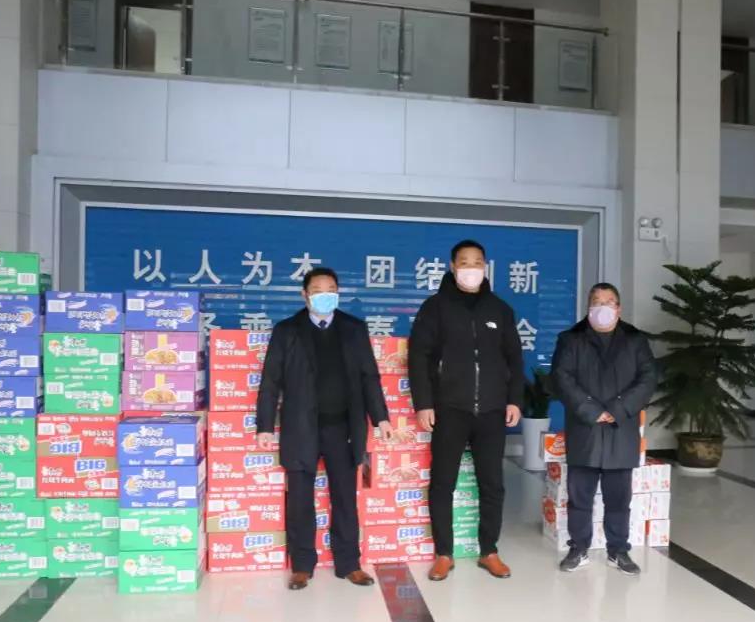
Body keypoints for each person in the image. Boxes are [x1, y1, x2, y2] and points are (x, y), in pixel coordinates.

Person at [257, 267, 394, 591]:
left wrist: (381, 418)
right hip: (300, 427)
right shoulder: (287, 330)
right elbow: (271, 380)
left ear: (338, 292)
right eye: (318, 290)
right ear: (304, 295)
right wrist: (265, 426)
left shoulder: (353, 328)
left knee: (344, 497)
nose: (325, 295)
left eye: (331, 289)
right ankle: (302, 565)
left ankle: (349, 563)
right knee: (300, 499)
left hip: (343, 427)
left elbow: (369, 377)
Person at [408, 240, 524, 582]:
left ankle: (489, 551)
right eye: (464, 262)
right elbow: (419, 357)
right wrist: (424, 403)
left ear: (485, 267)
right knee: (443, 482)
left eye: (477, 262)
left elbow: (514, 359)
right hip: (450, 409)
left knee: (493, 484)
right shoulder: (435, 307)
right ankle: (444, 553)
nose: (471, 268)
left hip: (491, 410)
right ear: (452, 266)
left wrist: (514, 399)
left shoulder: (500, 309)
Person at [551, 282, 657, 576]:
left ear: (619, 308)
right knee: (580, 497)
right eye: (597, 301)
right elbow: (561, 377)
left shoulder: (635, 340)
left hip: (620, 429)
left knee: (619, 499)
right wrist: (592, 410)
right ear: (588, 307)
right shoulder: (570, 339)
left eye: (609, 302)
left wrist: (617, 409)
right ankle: (579, 548)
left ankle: (618, 550)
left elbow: (648, 379)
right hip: (585, 428)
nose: (603, 307)